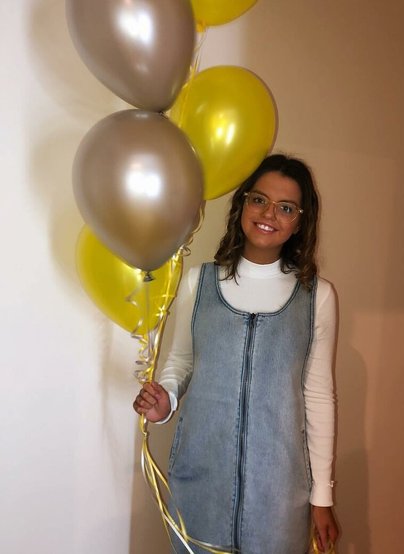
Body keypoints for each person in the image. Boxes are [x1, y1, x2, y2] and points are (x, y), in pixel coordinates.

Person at [133, 154, 339, 554]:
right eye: (259, 199)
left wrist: (322, 497)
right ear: (243, 204)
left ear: (300, 222)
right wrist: (166, 400)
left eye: (286, 208)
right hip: (200, 476)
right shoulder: (200, 283)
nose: (269, 214)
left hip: (279, 491)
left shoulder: (317, 297)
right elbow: (182, 360)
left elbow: (318, 397)